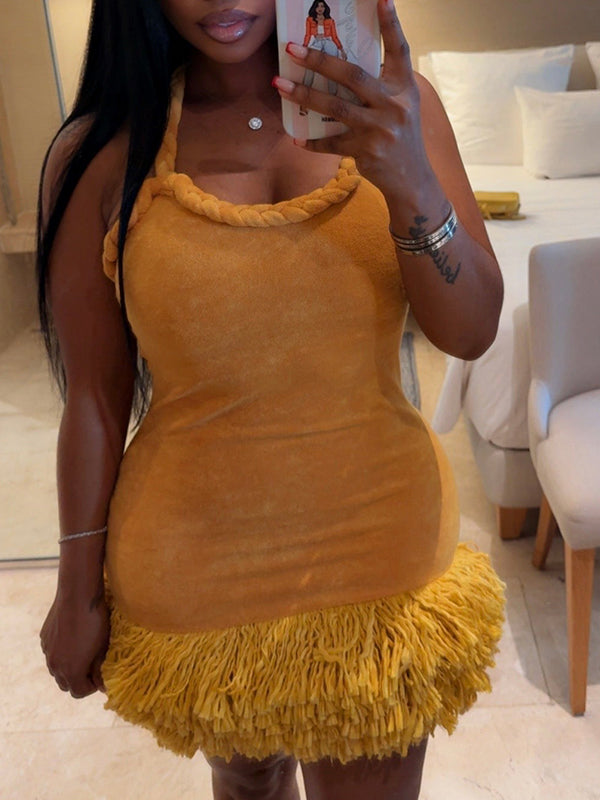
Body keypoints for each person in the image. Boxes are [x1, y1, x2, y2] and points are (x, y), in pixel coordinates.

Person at [37, 0, 505, 797]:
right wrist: (75, 587)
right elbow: (94, 396)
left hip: (380, 554)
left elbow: (471, 331)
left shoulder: (395, 108)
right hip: (194, 571)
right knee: (247, 787)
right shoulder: (102, 153)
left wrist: (411, 182)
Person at [301, 0, 347, 99]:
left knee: (332, 69)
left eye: (322, 6)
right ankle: (305, 92)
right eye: (318, 6)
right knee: (310, 66)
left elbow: (334, 36)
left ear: (325, 8)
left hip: (328, 43)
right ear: (314, 8)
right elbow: (307, 35)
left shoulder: (330, 21)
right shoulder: (310, 20)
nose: (320, 8)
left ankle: (333, 95)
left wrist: (341, 50)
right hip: (317, 43)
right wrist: (304, 46)